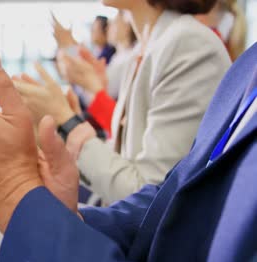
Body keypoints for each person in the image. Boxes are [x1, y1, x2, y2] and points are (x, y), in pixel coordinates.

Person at [0, 41, 256, 262]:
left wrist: (11, 191)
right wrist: (61, 218)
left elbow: (141, 177)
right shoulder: (249, 67)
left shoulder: (189, 45)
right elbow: (180, 198)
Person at [14, 0, 231, 204]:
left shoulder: (186, 43)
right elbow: (126, 162)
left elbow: (150, 197)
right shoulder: (147, 49)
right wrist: (66, 128)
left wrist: (69, 123)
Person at [106, 11, 137, 100]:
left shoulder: (130, 57)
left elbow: (109, 92)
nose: (107, 28)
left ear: (127, 27)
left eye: (113, 23)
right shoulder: (116, 56)